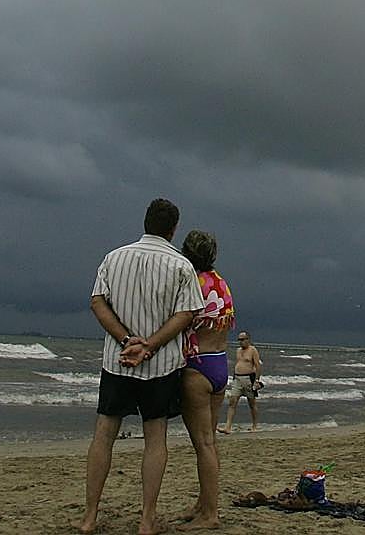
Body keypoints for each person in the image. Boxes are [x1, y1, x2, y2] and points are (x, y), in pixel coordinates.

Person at [77, 198, 205, 535]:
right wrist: (150, 344)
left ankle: (90, 516)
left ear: (146, 222)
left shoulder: (113, 257)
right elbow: (187, 313)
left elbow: (96, 302)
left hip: (117, 360)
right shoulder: (181, 266)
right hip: (160, 365)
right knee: (155, 438)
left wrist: (125, 339)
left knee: (104, 435)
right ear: (173, 229)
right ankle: (146, 519)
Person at [175, 229, 235, 530]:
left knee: (203, 444)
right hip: (220, 363)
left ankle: (210, 513)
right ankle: (203, 503)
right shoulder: (221, 283)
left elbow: (179, 320)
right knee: (209, 442)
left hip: (197, 367)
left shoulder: (190, 283)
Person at [222, 330, 263, 433]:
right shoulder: (238, 350)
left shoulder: (252, 350)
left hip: (249, 379)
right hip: (237, 378)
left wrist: (257, 381)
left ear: (248, 340)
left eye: (242, 340)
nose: (240, 342)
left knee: (252, 403)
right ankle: (228, 427)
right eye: (239, 340)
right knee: (232, 401)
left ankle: (254, 426)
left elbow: (258, 366)